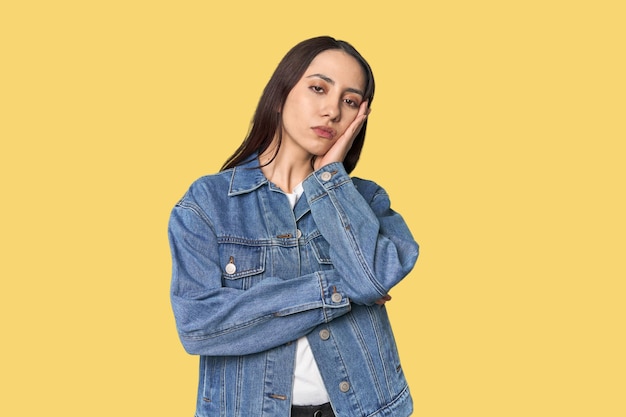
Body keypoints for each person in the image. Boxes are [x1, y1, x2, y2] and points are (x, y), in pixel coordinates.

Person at [168, 36, 419, 417]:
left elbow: (370, 278)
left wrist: (331, 181)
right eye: (318, 88)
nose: (332, 111)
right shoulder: (208, 203)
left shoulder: (365, 200)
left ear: (359, 118)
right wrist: (338, 290)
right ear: (282, 92)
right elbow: (199, 326)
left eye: (350, 101)